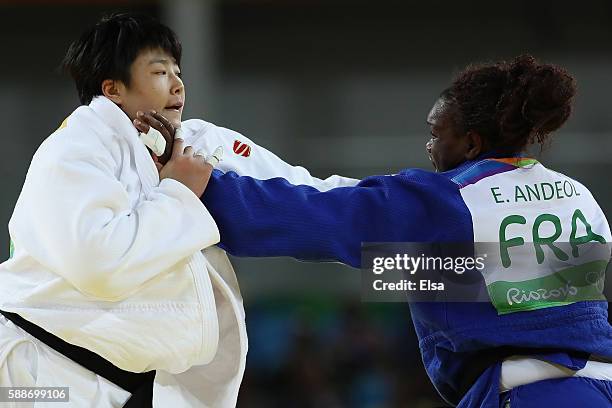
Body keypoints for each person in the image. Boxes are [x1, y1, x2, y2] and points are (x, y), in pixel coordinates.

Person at [198, 56, 612, 407]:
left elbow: (314, 218)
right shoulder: (578, 196)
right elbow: (494, 282)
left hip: (532, 396)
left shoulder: (447, 200)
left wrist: (202, 189)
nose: (428, 147)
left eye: (435, 134)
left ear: (470, 143)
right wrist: (384, 266)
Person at [0, 13, 356, 407]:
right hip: (36, 374)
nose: (177, 83)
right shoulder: (74, 148)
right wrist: (180, 192)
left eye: (177, 71)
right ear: (113, 88)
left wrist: (418, 212)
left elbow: (309, 194)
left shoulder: (199, 144)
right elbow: (99, 263)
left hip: (133, 384)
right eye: (159, 72)